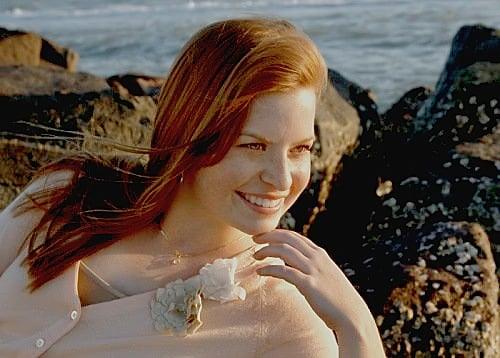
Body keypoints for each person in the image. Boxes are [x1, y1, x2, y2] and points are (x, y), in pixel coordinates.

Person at [0, 17, 385, 357]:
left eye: (301, 149)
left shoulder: (281, 312)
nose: (281, 179)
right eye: (253, 146)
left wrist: (357, 326)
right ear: (191, 130)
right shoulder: (66, 194)